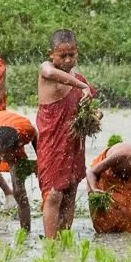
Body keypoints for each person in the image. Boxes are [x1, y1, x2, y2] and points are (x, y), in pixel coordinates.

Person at [35, 30, 96, 236]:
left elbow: (89, 110)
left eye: (72, 55)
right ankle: (51, 244)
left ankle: (64, 241)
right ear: (51, 53)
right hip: (52, 144)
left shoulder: (79, 78)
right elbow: (51, 73)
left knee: (70, 192)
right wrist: (83, 86)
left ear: (77, 52)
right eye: (63, 56)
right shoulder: (47, 69)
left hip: (74, 144)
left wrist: (96, 115)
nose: (68, 60)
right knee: (53, 194)